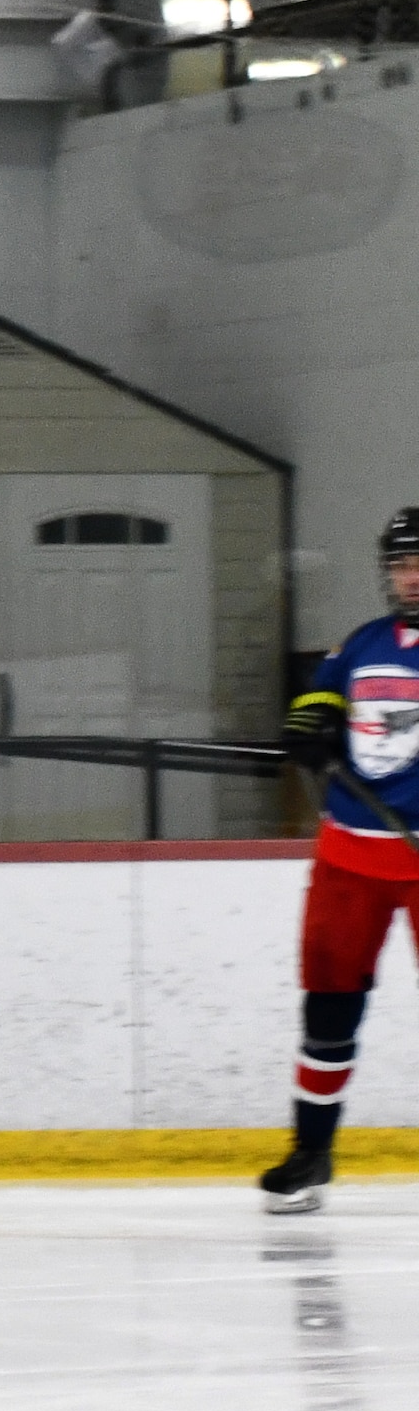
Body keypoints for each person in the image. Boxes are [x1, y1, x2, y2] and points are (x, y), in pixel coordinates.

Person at [262, 507, 419, 1212]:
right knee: (328, 1011)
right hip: (349, 860)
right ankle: (311, 1154)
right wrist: (312, 722)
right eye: (400, 564)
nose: (411, 576)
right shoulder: (361, 643)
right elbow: (320, 696)